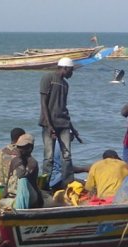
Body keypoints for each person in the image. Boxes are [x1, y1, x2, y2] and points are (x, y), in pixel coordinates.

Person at [39, 57, 77, 188]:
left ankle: (68, 185)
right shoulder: (48, 78)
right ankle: (44, 187)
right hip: (48, 124)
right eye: (71, 70)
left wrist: (73, 129)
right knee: (48, 157)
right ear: (65, 68)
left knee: (67, 156)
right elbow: (44, 103)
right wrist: (49, 126)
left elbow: (63, 107)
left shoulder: (66, 84)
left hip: (64, 124)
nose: (72, 73)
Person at [2, 134, 43, 209]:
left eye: (22, 147)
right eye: (18, 147)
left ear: (30, 148)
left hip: (30, 197)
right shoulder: (14, 161)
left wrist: (19, 161)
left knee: (23, 180)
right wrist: (3, 197)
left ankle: (20, 209)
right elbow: (8, 181)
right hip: (14, 197)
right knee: (0, 203)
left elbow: (22, 175)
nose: (19, 149)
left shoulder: (32, 162)